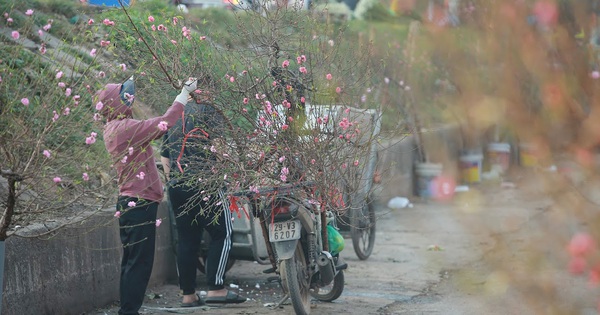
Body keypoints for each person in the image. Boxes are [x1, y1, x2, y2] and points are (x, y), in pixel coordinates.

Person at [97, 76, 198, 315]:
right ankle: (129, 311)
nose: (129, 99)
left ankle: (128, 309)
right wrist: (184, 94)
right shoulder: (126, 128)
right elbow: (165, 123)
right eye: (125, 97)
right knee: (139, 263)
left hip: (131, 202)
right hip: (139, 202)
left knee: (132, 261)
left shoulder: (115, 127)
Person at [160, 78, 247, 306]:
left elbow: (164, 156)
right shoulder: (209, 110)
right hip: (206, 183)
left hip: (178, 185)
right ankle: (216, 289)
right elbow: (219, 149)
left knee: (187, 240)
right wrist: (231, 171)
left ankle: (188, 295)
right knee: (223, 233)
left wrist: (174, 182)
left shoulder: (174, 114)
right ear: (206, 90)